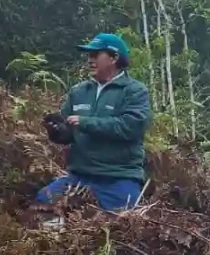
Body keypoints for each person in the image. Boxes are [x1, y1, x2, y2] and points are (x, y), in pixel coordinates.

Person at [36, 33, 151, 212]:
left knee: (121, 222)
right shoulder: (78, 91)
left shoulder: (134, 91)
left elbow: (130, 127)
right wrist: (57, 131)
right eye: (89, 55)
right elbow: (69, 132)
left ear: (114, 58)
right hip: (79, 177)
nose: (90, 60)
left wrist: (85, 122)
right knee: (43, 202)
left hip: (119, 178)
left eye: (95, 55)